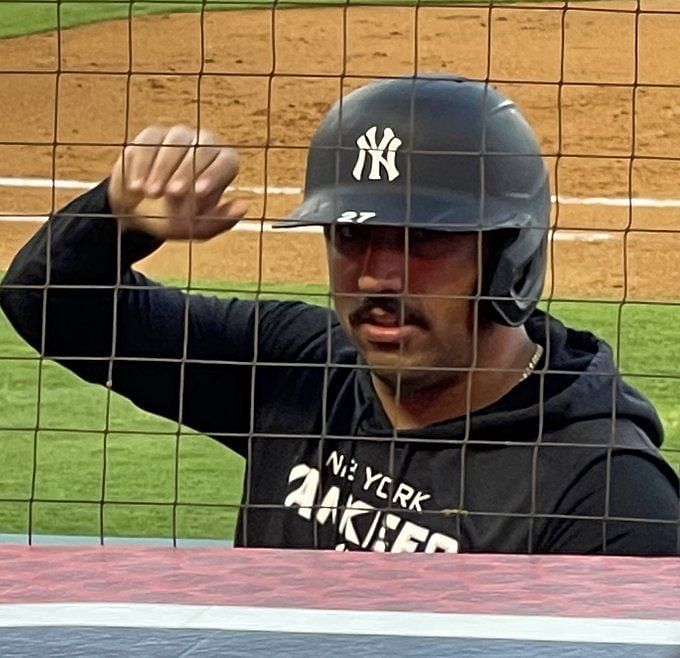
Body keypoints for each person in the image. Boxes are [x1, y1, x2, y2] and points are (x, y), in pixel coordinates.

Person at [1, 75, 678, 554]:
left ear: (507, 255)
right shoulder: (300, 370)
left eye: (423, 240)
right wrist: (116, 218)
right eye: (352, 235)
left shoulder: (607, 496)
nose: (377, 274)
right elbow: (50, 303)